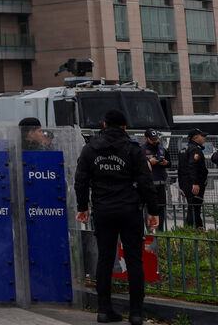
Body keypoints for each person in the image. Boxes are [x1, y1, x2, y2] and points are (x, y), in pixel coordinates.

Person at [75, 109, 162, 325]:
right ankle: (136, 313)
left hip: (103, 209)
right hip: (129, 209)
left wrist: (82, 206)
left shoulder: (90, 149)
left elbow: (81, 180)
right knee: (134, 260)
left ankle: (104, 310)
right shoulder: (133, 149)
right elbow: (145, 182)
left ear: (104, 125)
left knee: (105, 258)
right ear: (124, 127)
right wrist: (153, 210)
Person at [178, 128, 208, 229]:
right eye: (202, 136)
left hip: (186, 184)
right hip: (194, 185)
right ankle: (190, 229)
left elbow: (180, 169)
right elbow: (193, 166)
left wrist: (181, 186)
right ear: (195, 137)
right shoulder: (195, 149)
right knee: (195, 207)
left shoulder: (183, 149)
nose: (204, 138)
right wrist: (195, 183)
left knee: (193, 206)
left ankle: (198, 227)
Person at [142, 129, 170, 228]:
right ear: (146, 138)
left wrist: (166, 163)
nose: (155, 141)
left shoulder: (162, 148)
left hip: (160, 184)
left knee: (161, 208)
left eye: (156, 138)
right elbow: (138, 166)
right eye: (152, 139)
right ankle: (149, 231)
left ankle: (160, 230)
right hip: (149, 186)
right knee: (149, 209)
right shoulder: (141, 149)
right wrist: (149, 162)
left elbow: (169, 163)